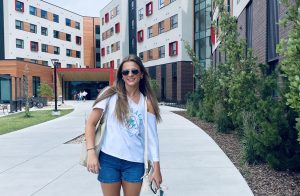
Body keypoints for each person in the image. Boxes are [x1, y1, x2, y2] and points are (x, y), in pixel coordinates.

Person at [85, 54, 162, 196]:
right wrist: (91, 152)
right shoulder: (109, 95)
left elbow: (152, 138)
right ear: (121, 75)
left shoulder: (147, 103)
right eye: (126, 72)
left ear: (141, 75)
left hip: (135, 163)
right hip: (108, 160)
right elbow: (90, 123)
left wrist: (157, 168)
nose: (130, 74)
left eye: (134, 71)